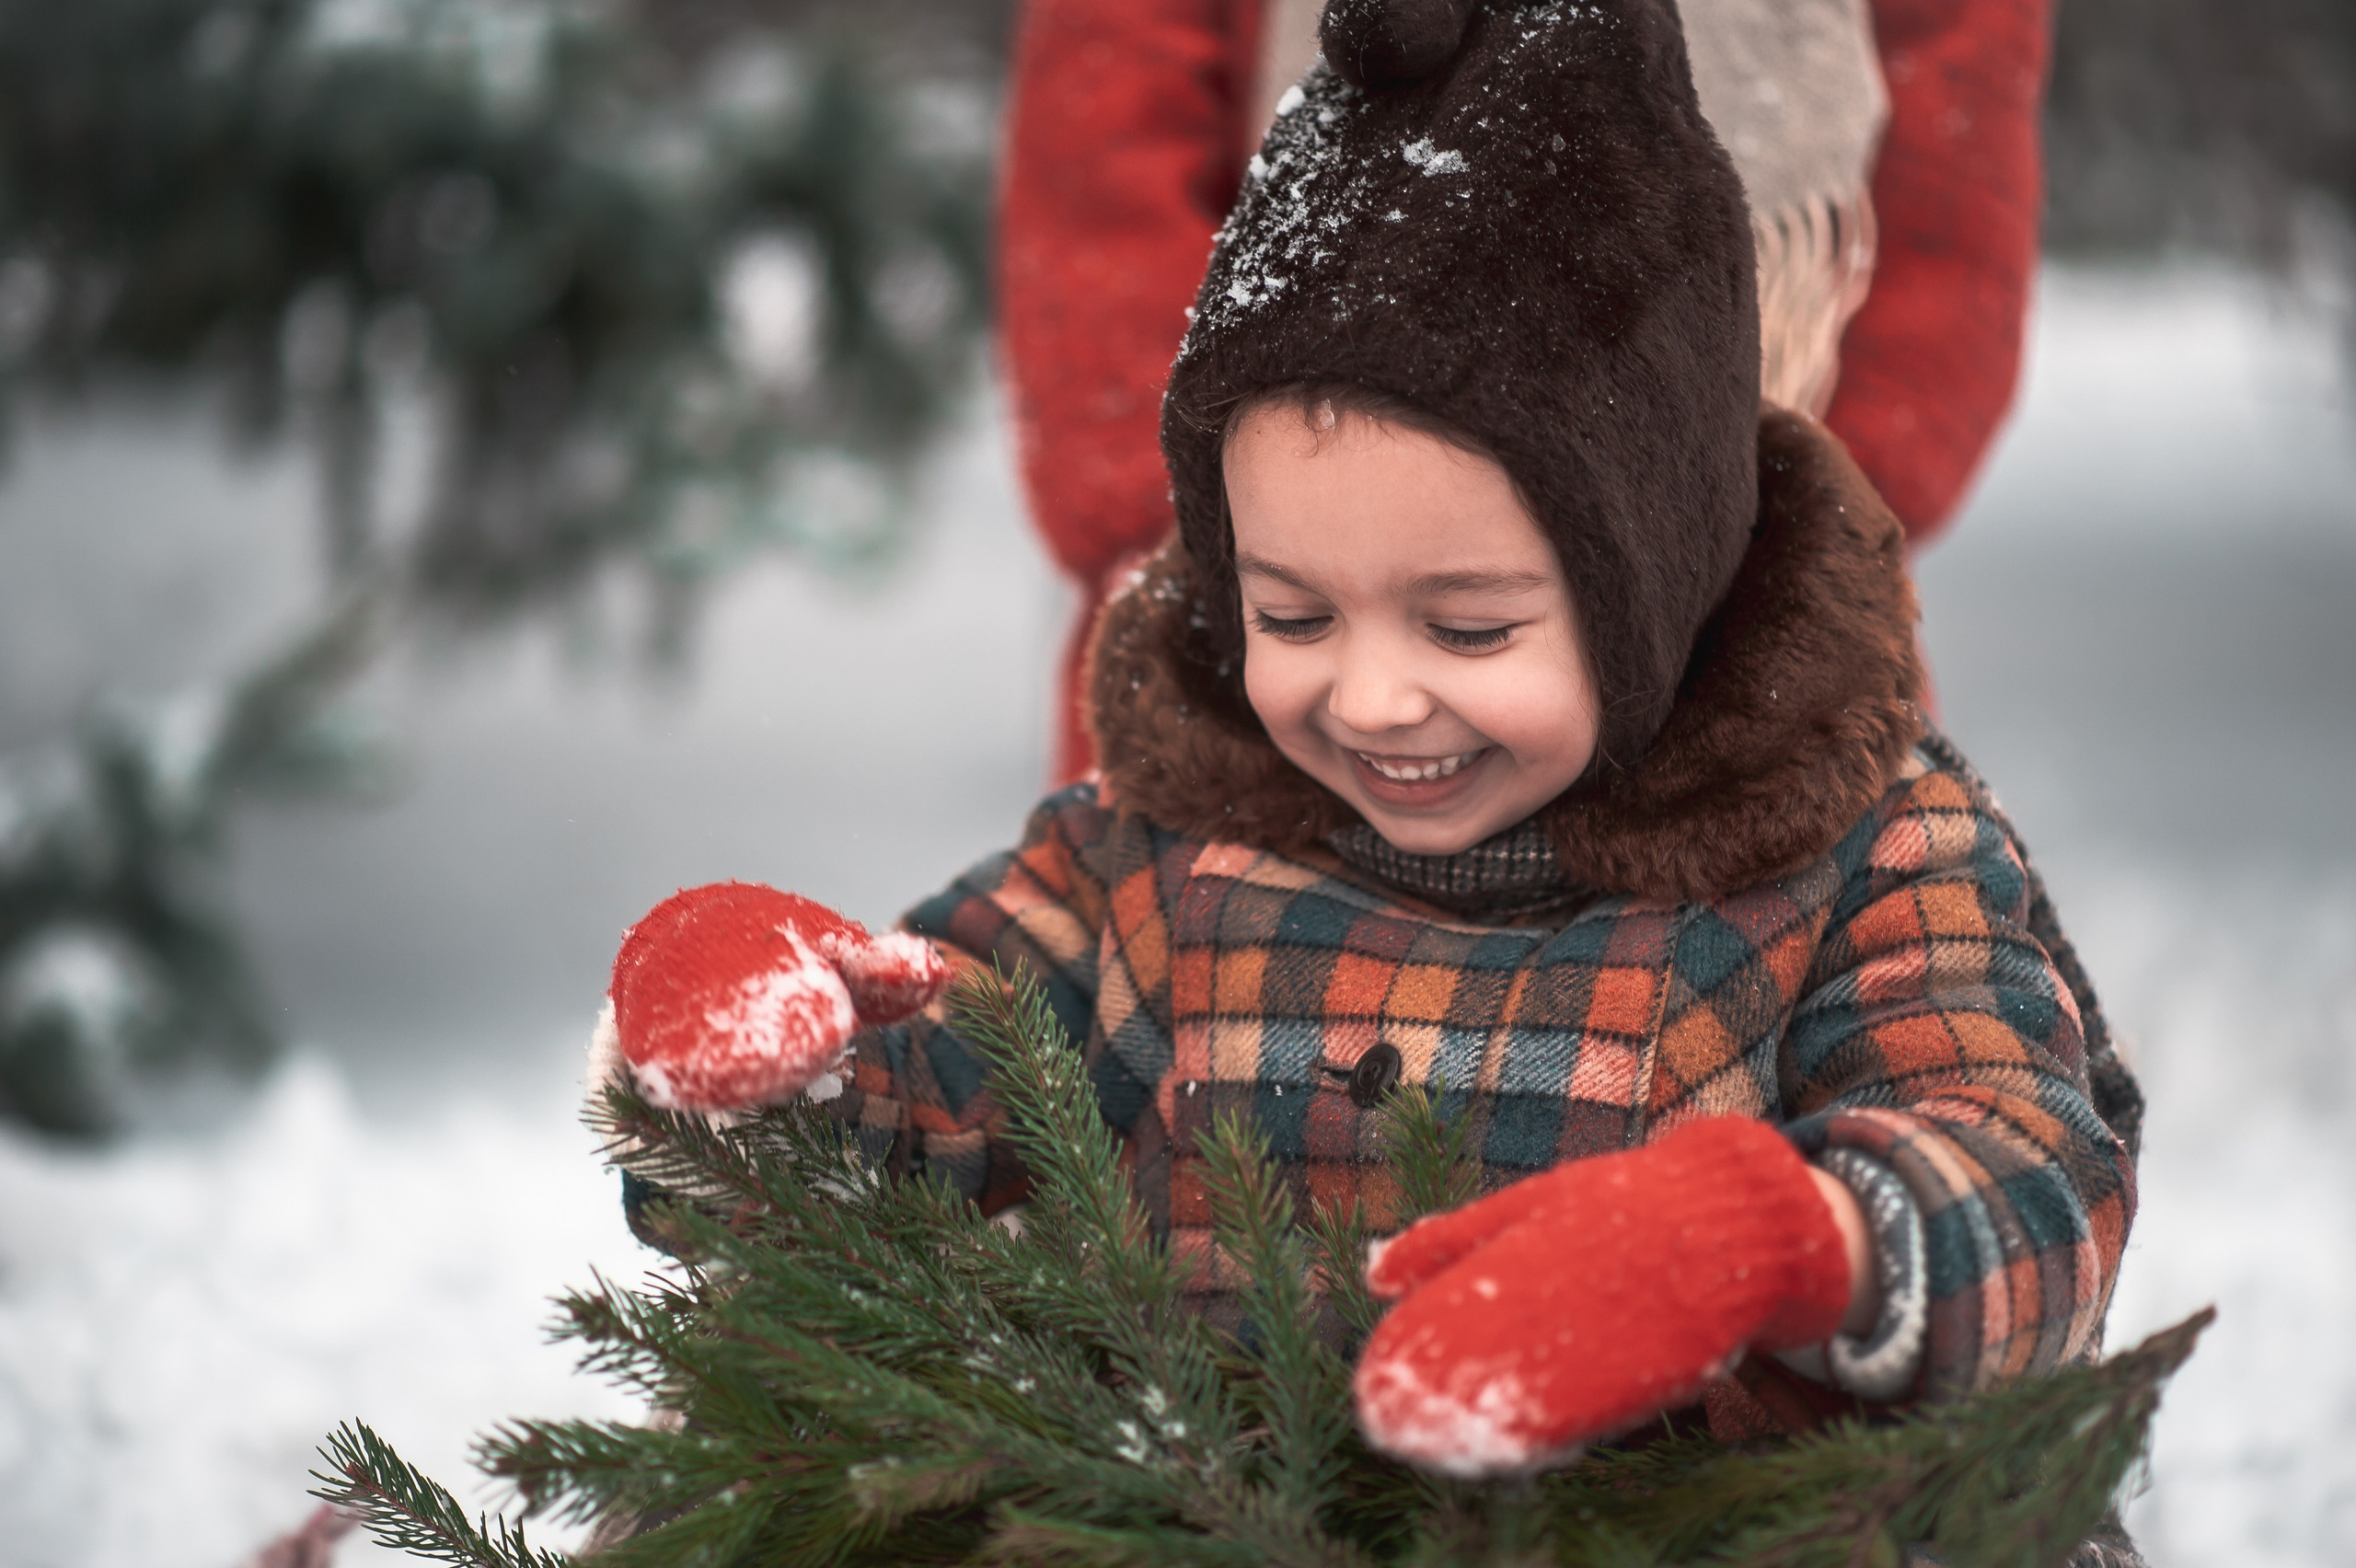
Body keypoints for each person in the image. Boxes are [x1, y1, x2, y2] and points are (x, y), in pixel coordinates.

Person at [597, 0, 2140, 1553]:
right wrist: (780, 1059)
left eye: (1468, 623)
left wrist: (1787, 1239)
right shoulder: (1165, 848)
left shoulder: (1853, 853)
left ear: (1663, 581)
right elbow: (956, 1078)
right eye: (1292, 612)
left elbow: (2027, 1171)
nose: (1375, 693)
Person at [999, 0, 2053, 780]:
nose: (1380, 703)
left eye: (1466, 630)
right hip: (1259, 535)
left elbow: (1953, 116)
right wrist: (1198, 510)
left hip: (1754, 553)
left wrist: (1822, 495)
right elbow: (1108, 127)